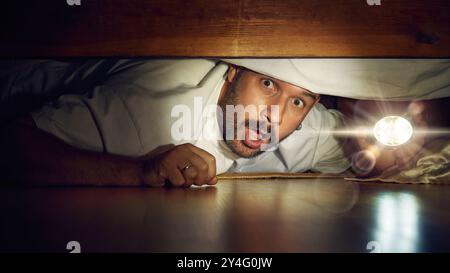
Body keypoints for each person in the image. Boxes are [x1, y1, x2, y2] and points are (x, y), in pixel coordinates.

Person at [3, 58, 445, 187]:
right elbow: (12, 146)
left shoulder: (305, 131)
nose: (275, 116)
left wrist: (386, 146)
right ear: (233, 72)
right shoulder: (151, 109)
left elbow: (377, 146)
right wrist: (138, 171)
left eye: (298, 100)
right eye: (268, 84)